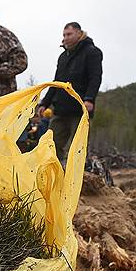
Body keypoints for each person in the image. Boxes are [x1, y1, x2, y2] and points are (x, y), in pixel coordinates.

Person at [38, 22, 103, 164]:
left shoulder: (92, 52)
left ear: (79, 34)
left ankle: (78, 181)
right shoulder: (63, 57)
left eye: (69, 34)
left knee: (78, 148)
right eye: (64, 35)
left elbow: (95, 78)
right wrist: (45, 103)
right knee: (51, 146)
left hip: (80, 109)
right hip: (60, 109)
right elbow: (57, 82)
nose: (65, 38)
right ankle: (54, 178)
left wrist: (89, 99)